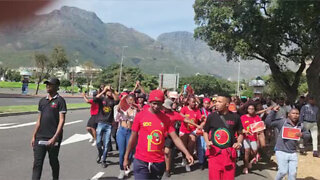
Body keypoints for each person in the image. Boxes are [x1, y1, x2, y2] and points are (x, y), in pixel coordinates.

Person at [123, 90, 194, 180]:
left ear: (163, 104)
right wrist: (126, 157)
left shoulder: (166, 119)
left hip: (158, 162)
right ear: (149, 102)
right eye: (154, 103)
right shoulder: (140, 116)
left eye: (159, 104)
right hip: (141, 160)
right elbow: (133, 138)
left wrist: (187, 153)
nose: (156, 106)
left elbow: (175, 138)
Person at [31, 78, 67, 180]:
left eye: (50, 84)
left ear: (56, 87)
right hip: (40, 137)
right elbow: (39, 120)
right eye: (47, 84)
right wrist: (34, 136)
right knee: (37, 164)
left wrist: (55, 137)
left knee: (53, 160)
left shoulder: (60, 101)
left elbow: (62, 121)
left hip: (53, 138)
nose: (47, 86)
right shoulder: (42, 101)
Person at [203, 95, 243, 180]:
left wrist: (238, 143)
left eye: (219, 102)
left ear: (227, 104)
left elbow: (240, 134)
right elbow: (205, 131)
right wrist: (207, 142)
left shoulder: (236, 117)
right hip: (214, 153)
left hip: (229, 155)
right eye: (216, 102)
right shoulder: (211, 116)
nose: (216, 104)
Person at [266, 107, 310, 180]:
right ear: (289, 115)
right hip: (281, 151)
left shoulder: (300, 125)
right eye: (293, 113)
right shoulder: (282, 122)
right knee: (282, 172)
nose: (295, 115)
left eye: (297, 114)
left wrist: (302, 134)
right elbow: (268, 123)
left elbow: (308, 135)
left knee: (293, 174)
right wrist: (273, 112)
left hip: (293, 153)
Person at [95, 85, 119, 168]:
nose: (109, 92)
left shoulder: (112, 100)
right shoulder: (102, 99)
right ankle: (100, 153)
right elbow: (96, 98)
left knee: (106, 143)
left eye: (110, 91)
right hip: (100, 123)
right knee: (98, 142)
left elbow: (117, 100)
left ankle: (103, 160)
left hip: (109, 124)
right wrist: (103, 90)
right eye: (107, 91)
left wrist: (112, 91)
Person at [162, 98, 186, 177]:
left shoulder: (175, 114)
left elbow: (184, 119)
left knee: (167, 151)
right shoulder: (160, 113)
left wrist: (196, 125)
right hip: (160, 135)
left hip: (170, 135)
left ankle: (167, 170)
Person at [115, 94, 137, 179]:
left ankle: (127, 165)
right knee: (121, 152)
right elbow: (118, 109)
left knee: (130, 153)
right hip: (122, 131)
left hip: (131, 132)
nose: (131, 101)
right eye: (129, 100)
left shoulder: (136, 110)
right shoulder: (123, 108)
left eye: (132, 100)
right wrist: (123, 99)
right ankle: (121, 170)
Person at [179, 96, 202, 172]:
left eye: (195, 102)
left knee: (191, 145)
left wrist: (203, 120)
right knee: (184, 146)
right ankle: (184, 158)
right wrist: (185, 117)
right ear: (188, 102)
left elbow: (200, 119)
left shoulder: (197, 110)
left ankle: (188, 163)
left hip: (192, 131)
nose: (194, 103)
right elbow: (182, 116)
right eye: (192, 102)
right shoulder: (184, 108)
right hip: (183, 130)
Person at [240, 104, 261, 174]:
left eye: (252, 109)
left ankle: (250, 161)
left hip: (254, 138)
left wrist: (259, 131)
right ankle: (245, 166)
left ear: (254, 109)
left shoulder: (257, 117)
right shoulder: (243, 117)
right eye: (249, 108)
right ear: (247, 109)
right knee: (247, 150)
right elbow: (240, 128)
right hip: (246, 137)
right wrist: (244, 131)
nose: (251, 110)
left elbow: (260, 128)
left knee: (254, 152)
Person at [197, 97, 211, 170]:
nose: (206, 105)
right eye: (205, 103)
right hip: (201, 131)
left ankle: (205, 160)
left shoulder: (211, 111)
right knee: (200, 147)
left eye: (208, 103)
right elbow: (199, 119)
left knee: (207, 147)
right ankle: (201, 162)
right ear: (203, 104)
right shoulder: (200, 110)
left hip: (209, 131)